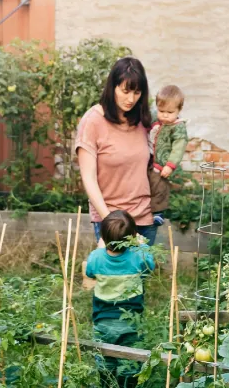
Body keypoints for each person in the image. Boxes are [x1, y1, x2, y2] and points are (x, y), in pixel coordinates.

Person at [75, 56, 158, 246]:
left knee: (142, 276)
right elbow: (89, 178)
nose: (131, 99)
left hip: (144, 218)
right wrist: (110, 220)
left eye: (137, 93)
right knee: (114, 276)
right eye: (125, 91)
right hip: (111, 220)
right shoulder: (93, 121)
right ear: (113, 86)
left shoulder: (142, 121)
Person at [85, 210, 155, 388]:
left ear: (103, 236)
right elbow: (150, 266)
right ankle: (128, 383)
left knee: (105, 357)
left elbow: (89, 272)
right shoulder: (138, 257)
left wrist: (101, 248)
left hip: (102, 320)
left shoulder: (96, 257)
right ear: (132, 236)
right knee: (130, 359)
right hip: (131, 320)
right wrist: (141, 245)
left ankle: (106, 383)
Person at [147, 85, 189, 226]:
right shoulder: (156, 118)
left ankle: (158, 212)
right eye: (161, 111)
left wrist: (170, 165)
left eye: (170, 112)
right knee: (147, 184)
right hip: (149, 159)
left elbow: (178, 148)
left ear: (179, 110)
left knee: (160, 187)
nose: (164, 115)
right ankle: (146, 208)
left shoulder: (178, 128)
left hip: (162, 164)